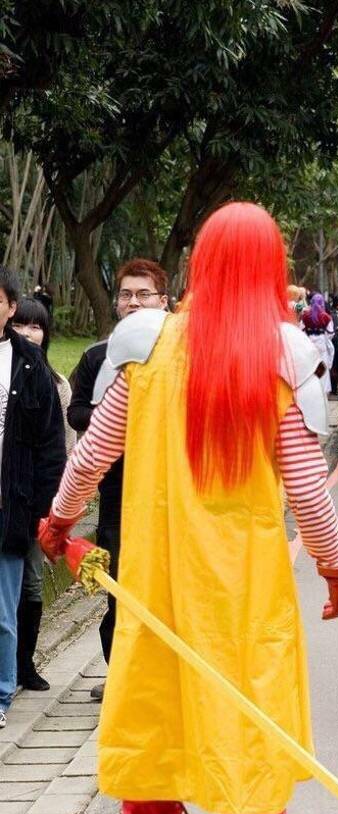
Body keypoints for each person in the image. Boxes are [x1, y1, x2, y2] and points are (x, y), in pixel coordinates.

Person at [39, 202, 338, 814]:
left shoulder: (146, 348)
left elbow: (92, 454)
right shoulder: (280, 355)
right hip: (241, 594)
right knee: (251, 727)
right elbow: (307, 485)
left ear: (201, 266)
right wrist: (337, 564)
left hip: (156, 582)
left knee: (153, 715)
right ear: (269, 268)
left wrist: (58, 521)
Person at [68, 258, 169, 702]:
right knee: (119, 589)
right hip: (118, 493)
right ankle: (121, 678)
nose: (134, 302)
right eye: (126, 294)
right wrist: (123, 422)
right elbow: (77, 414)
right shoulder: (97, 356)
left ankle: (167, 678)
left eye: (143, 294)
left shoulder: (182, 357)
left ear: (163, 301)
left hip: (173, 494)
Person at [0, 269, 65, 729]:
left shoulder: (29, 364)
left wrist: (45, 509)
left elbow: (49, 445)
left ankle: (2, 694)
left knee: (5, 611)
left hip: (11, 507)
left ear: (10, 306)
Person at [12, 298, 76, 692]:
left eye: (36, 326)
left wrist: (56, 508)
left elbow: (65, 451)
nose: (28, 333)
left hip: (37, 502)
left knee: (31, 583)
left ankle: (24, 664)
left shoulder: (58, 386)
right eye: (20, 325)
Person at [301, 293, 334, 393]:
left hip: (309, 343)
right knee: (323, 367)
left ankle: (311, 390)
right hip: (322, 343)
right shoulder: (326, 317)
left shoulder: (305, 316)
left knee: (311, 367)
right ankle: (323, 391)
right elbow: (331, 332)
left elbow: (301, 329)